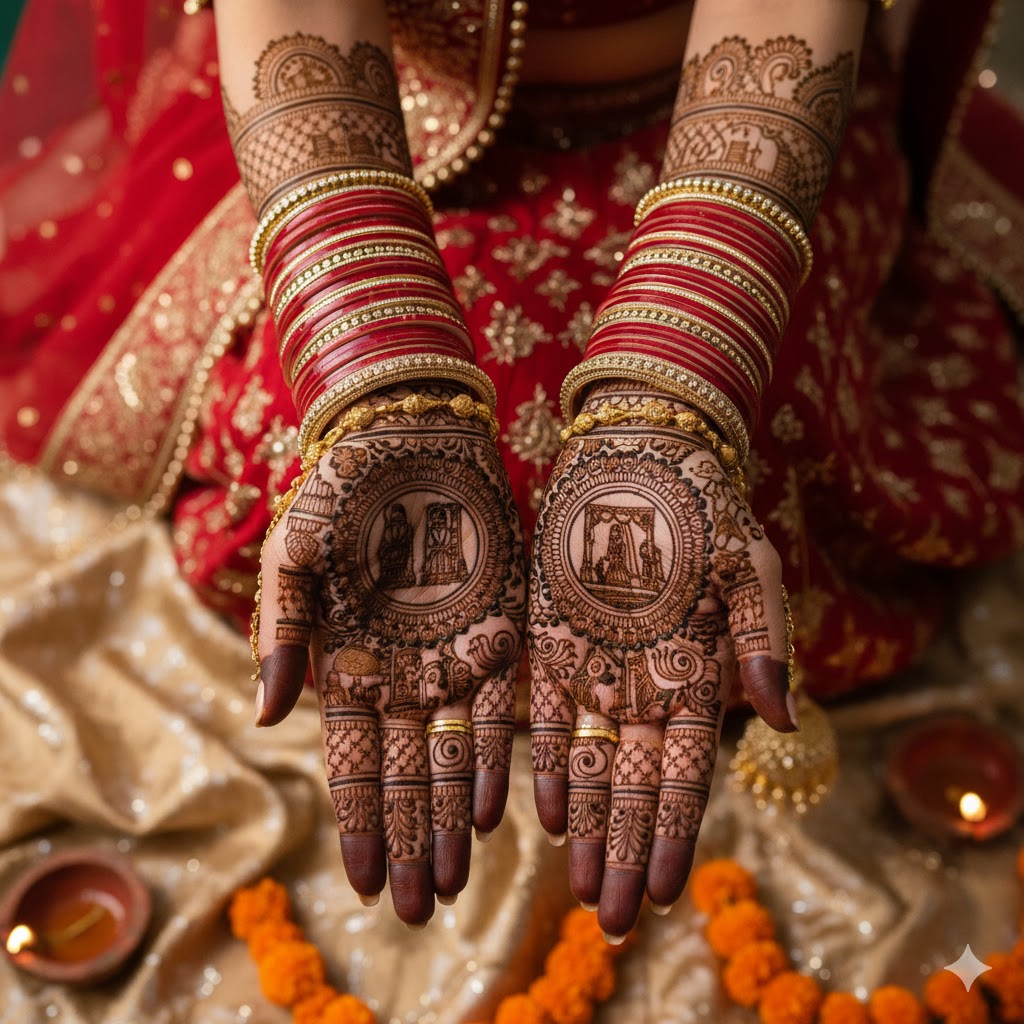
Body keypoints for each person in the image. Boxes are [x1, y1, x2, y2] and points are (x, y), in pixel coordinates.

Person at [1, 0, 1022, 945]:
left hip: (733, 122)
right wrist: (378, 385)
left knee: (762, 453)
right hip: (377, 120)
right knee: (324, 474)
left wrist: (671, 397)